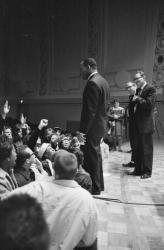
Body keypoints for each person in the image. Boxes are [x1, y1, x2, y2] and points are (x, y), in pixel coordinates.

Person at [3, 150, 98, 250]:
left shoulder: (36, 188)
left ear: (54, 168)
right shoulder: (86, 199)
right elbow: (88, 240)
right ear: (76, 171)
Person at [79, 58, 110, 195]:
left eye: (82, 69)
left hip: (92, 127)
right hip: (100, 125)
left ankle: (94, 188)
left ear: (89, 66)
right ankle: (99, 186)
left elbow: (89, 112)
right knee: (96, 156)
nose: (81, 72)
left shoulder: (92, 83)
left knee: (91, 157)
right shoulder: (103, 81)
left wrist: (82, 132)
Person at [130, 71, 156, 178]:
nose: (136, 81)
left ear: (143, 77)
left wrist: (137, 97)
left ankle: (147, 172)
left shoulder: (150, 88)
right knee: (138, 149)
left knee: (146, 150)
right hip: (137, 124)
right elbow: (133, 106)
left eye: (138, 79)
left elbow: (149, 105)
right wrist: (133, 95)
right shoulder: (138, 90)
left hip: (146, 125)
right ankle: (138, 169)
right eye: (134, 80)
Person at [123, 82, 137, 167]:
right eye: (126, 88)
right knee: (133, 144)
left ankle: (136, 162)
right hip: (132, 123)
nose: (128, 89)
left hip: (137, 124)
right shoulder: (131, 96)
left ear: (134, 86)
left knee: (136, 144)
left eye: (129, 87)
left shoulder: (139, 95)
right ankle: (133, 161)